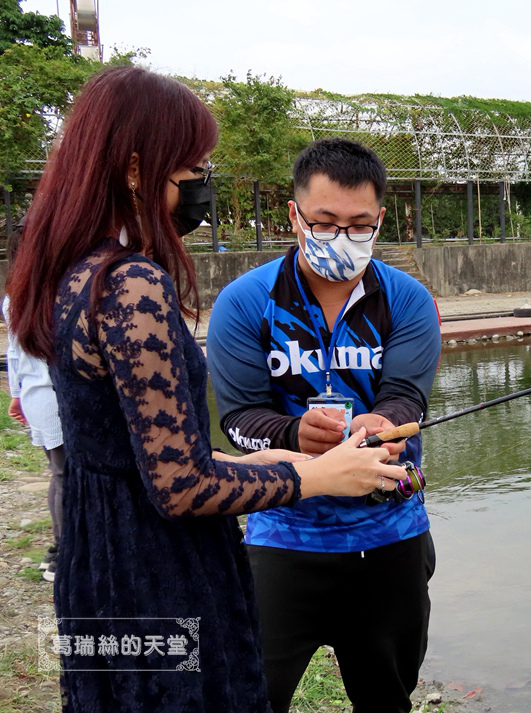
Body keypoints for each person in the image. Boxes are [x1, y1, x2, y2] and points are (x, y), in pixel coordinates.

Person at [5, 67, 407, 713]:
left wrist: (255, 460)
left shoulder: (72, 272)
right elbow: (180, 489)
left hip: (97, 561)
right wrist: (319, 477)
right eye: (190, 167)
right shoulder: (131, 285)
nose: (200, 184)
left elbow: (131, 451)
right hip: (156, 573)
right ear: (138, 168)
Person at [206, 138, 442, 713]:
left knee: (387, 696)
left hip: (390, 538)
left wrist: (381, 423)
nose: (343, 236)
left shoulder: (407, 300)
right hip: (281, 536)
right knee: (251, 694)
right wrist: (292, 435)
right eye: (325, 221)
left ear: (380, 220)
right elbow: (238, 418)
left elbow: (408, 396)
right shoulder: (244, 303)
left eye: (360, 224)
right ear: (295, 216)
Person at [3, 222, 64, 583]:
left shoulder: (13, 297)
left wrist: (15, 395)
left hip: (35, 397)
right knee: (67, 478)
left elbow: (13, 353)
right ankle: (62, 552)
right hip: (57, 399)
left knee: (59, 475)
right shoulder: (55, 293)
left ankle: (59, 550)